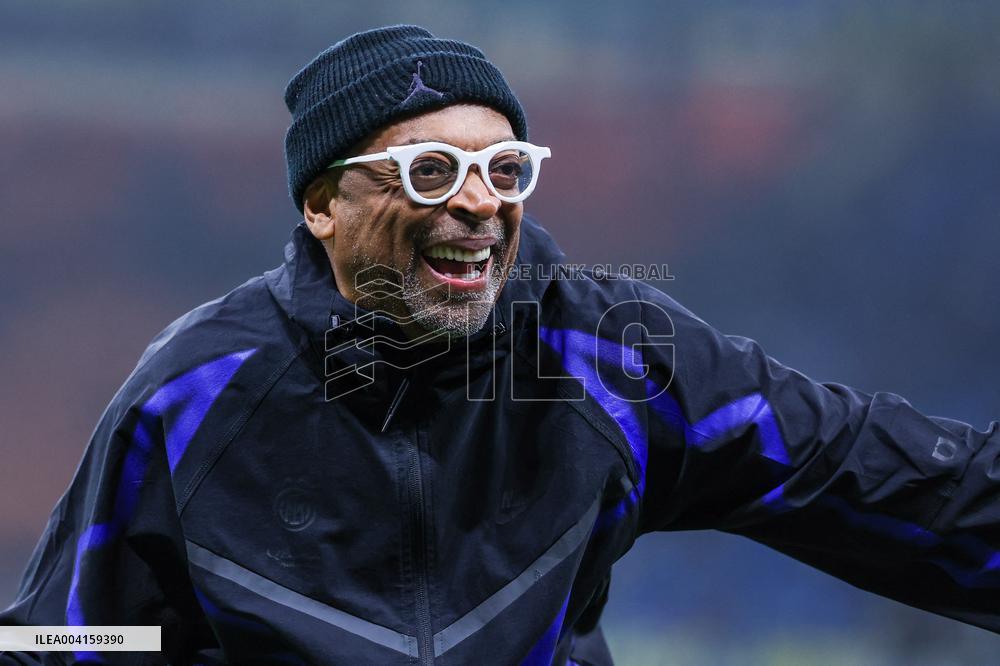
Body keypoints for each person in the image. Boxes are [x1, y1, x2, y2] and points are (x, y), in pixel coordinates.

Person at [2, 24, 999, 666]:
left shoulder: (611, 354)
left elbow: (901, 485)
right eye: (432, 170)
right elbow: (60, 637)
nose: (479, 202)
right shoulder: (194, 394)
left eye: (505, 168)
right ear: (321, 205)